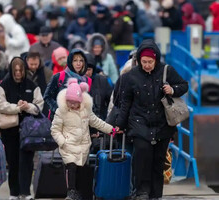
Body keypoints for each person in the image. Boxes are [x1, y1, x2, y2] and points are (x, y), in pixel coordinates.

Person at [115, 39, 188, 200]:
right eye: (144, 62)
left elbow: (184, 85)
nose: (147, 65)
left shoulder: (166, 71)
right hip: (139, 122)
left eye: (150, 62)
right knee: (142, 157)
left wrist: (172, 89)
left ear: (156, 60)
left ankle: (155, 194)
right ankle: (142, 192)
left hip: (162, 124)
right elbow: (125, 103)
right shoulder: (131, 77)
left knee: (158, 161)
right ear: (139, 60)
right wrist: (119, 124)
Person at [50, 78, 116, 200]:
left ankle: (78, 193)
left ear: (80, 101)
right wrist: (62, 141)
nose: (72, 105)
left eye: (75, 102)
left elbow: (96, 122)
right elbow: (55, 129)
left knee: (80, 171)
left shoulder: (86, 110)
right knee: (71, 167)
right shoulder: (61, 111)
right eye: (69, 102)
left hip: (83, 145)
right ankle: (71, 191)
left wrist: (110, 129)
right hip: (68, 145)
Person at [0, 57, 44, 200]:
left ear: (24, 70)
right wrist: (17, 108)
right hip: (9, 130)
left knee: (27, 162)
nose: (18, 73)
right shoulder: (3, 85)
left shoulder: (32, 85)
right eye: (15, 70)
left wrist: (27, 106)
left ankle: (26, 192)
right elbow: (1, 105)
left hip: (29, 130)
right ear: (11, 70)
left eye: (20, 70)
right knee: (13, 162)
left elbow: (39, 106)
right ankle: (14, 193)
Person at [44, 49, 90, 119]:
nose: (78, 63)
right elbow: (47, 96)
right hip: (60, 121)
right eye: (75, 60)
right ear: (70, 61)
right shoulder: (59, 76)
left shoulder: (87, 80)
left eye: (81, 60)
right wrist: (58, 109)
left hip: (79, 122)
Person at [25, 51, 53, 116]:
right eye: (31, 64)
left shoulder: (47, 73)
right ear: (27, 61)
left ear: (39, 61)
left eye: (36, 64)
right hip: (26, 102)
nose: (34, 66)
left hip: (42, 103)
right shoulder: (22, 71)